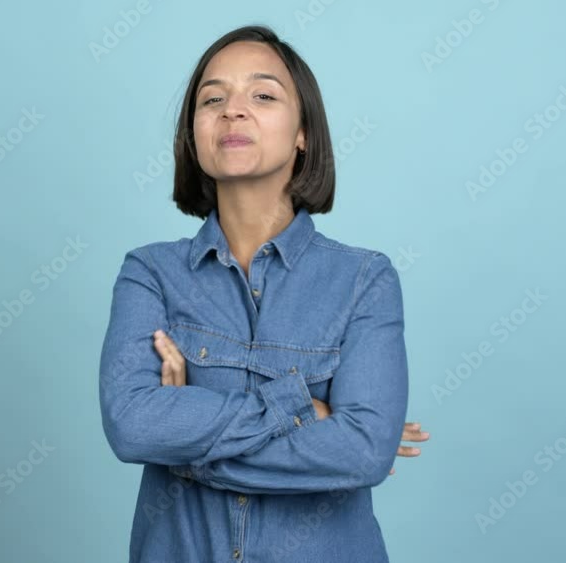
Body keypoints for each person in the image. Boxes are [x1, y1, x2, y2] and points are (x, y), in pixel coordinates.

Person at [99, 24, 429, 563]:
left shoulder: (365, 280)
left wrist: (186, 445)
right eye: (212, 98)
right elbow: (132, 427)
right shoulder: (150, 272)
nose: (233, 110)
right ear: (193, 133)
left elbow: (364, 453)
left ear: (303, 133)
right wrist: (303, 408)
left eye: (263, 95)